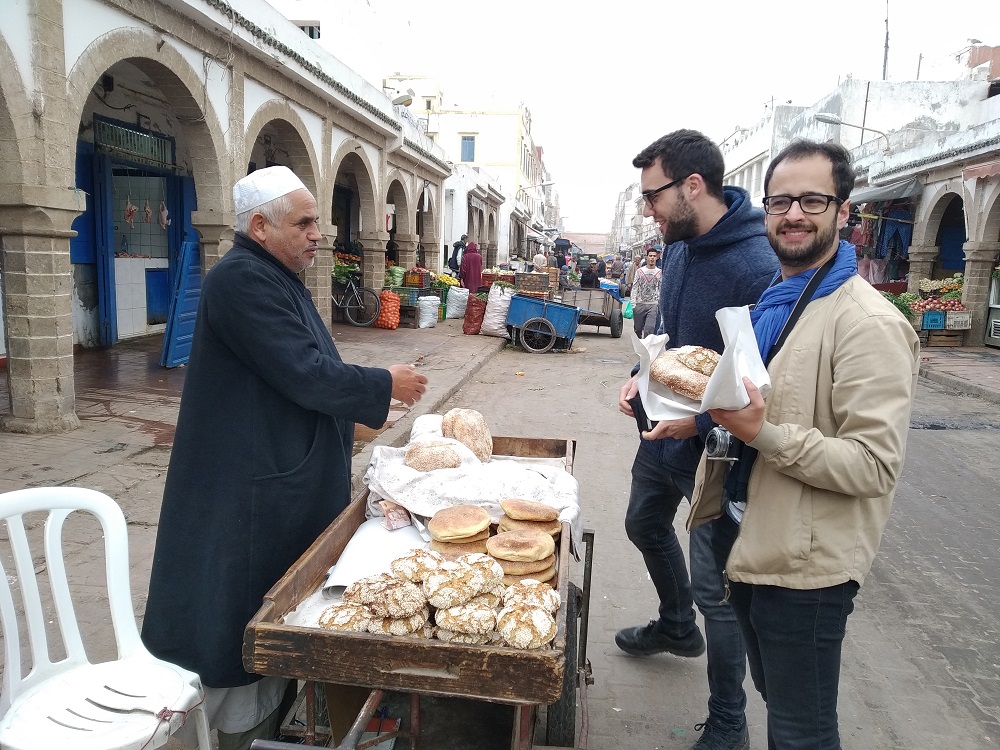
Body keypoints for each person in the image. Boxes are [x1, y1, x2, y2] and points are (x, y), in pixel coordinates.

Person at [140, 166, 428, 750]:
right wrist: (382, 383)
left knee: (277, 613)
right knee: (239, 623)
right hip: (248, 489)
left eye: (317, 221)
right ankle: (233, 736)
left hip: (274, 471)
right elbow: (304, 371)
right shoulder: (241, 279)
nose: (318, 233)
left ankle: (270, 725)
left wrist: (360, 410)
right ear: (259, 226)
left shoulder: (275, 274)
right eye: (304, 223)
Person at [692, 140, 920, 749]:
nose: (794, 214)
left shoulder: (867, 323)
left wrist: (760, 433)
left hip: (806, 570)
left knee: (801, 731)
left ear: (844, 211)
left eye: (812, 200)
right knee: (781, 702)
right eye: (780, 201)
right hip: (755, 537)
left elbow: (873, 465)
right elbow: (775, 402)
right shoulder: (781, 300)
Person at [617, 129, 779, 750]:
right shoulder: (679, 244)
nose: (647, 211)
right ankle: (675, 626)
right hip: (659, 435)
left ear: (692, 186)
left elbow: (765, 378)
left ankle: (729, 721)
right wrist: (640, 375)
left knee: (718, 589)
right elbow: (667, 333)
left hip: (716, 453)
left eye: (652, 196)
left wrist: (702, 423)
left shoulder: (758, 265)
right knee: (643, 523)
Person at [629, 249, 662, 337]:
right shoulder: (640, 271)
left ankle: (646, 345)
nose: (652, 258)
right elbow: (635, 287)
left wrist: (659, 303)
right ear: (647, 257)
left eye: (654, 256)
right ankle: (639, 341)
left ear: (656, 258)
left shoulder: (659, 272)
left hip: (653, 305)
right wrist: (633, 304)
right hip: (640, 304)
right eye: (650, 256)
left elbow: (661, 288)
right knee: (638, 329)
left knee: (649, 329)